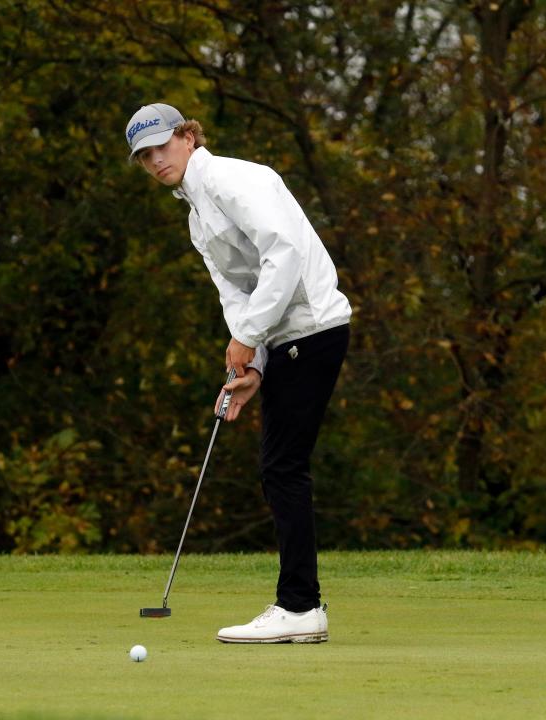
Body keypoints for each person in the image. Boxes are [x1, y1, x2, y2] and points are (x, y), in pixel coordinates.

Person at [125, 103, 351, 643]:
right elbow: (237, 295)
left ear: (186, 136)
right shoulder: (196, 213)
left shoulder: (231, 179)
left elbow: (285, 253)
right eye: (144, 156)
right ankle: (301, 606)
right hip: (288, 340)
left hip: (312, 329)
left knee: (282, 468)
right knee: (280, 467)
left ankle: (300, 607)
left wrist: (249, 340)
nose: (156, 161)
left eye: (162, 146)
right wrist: (253, 365)